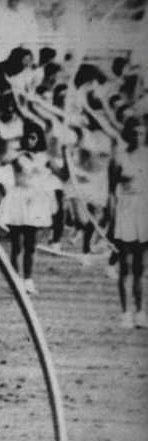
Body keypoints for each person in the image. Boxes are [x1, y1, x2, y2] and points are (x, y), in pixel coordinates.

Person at [0, 124, 56, 294]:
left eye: (34, 137)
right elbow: (1, 161)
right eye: (28, 137)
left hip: (36, 200)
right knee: (17, 244)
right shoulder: (18, 156)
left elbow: (58, 172)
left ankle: (28, 279)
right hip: (18, 199)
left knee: (31, 244)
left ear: (39, 139)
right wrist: (19, 152)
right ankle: (16, 280)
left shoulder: (44, 157)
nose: (30, 140)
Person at [110, 116, 147, 328]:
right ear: (128, 134)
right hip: (125, 212)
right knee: (125, 266)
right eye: (134, 133)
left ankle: (141, 311)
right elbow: (111, 192)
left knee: (140, 268)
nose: (138, 137)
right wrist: (111, 219)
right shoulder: (119, 158)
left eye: (141, 133)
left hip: (144, 211)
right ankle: (125, 312)